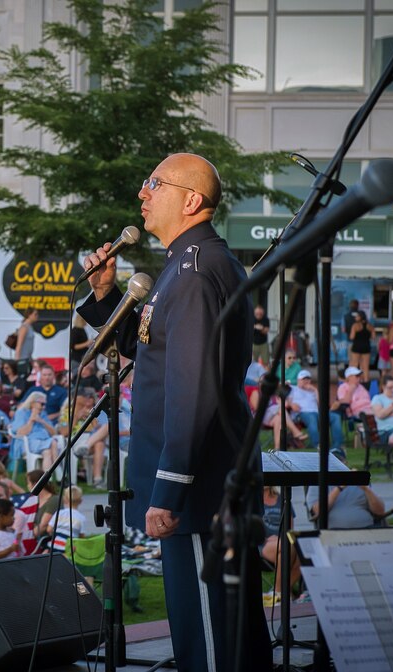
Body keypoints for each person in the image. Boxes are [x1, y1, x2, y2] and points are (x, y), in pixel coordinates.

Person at [76, 153, 269, 669]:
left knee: (207, 641)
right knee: (217, 632)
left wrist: (170, 488)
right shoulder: (185, 265)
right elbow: (151, 346)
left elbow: (193, 391)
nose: (142, 193)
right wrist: (105, 295)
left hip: (198, 490)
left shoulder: (194, 272)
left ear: (190, 200)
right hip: (203, 485)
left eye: (152, 183)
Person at [287, 370, 345, 458]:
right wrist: (291, 405)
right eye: (303, 379)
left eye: (308, 379)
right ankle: (318, 445)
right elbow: (283, 400)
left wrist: (315, 390)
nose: (306, 381)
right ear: (298, 380)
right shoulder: (293, 389)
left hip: (317, 413)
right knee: (311, 417)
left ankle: (337, 446)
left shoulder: (313, 391)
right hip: (302, 413)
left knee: (335, 416)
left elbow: (322, 405)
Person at [10, 391, 63, 474]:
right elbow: (20, 433)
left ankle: (45, 481)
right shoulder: (21, 413)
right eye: (42, 404)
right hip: (27, 442)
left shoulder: (43, 414)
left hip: (44, 441)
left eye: (45, 404)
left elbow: (53, 433)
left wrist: (42, 421)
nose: (43, 407)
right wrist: (31, 420)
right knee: (53, 443)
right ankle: (60, 474)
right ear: (32, 402)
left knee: (47, 452)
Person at [307, 480, 388, 530]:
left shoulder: (359, 481)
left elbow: (380, 511)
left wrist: (366, 489)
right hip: (334, 532)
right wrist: (339, 488)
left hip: (366, 530)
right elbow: (317, 511)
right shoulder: (318, 482)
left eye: (340, 460)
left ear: (345, 462)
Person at [49, 485, 86, 551]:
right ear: (81, 501)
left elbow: (49, 529)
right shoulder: (81, 518)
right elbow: (82, 536)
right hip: (69, 549)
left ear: (65, 499)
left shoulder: (59, 513)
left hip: (54, 546)